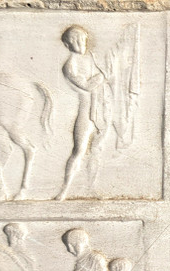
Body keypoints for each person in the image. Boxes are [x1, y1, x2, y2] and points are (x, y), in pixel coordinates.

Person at [54, 26, 108, 201]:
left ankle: (90, 187)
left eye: (82, 39)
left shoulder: (92, 58)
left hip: (100, 110)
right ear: (68, 44)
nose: (80, 43)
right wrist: (102, 75)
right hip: (86, 112)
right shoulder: (70, 65)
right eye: (75, 40)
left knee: (97, 151)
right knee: (79, 150)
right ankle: (64, 189)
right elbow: (87, 85)